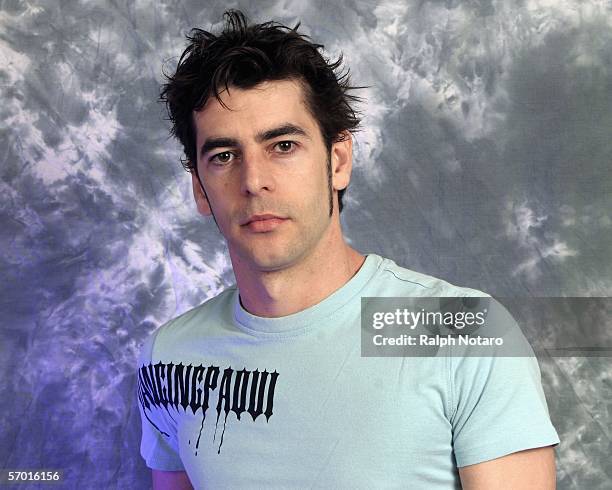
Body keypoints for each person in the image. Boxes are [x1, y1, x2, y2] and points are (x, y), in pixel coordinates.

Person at [136, 9, 559, 489]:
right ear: (198, 186)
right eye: (224, 156)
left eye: (283, 146)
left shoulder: (463, 332)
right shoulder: (170, 355)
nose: (254, 181)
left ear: (337, 161)